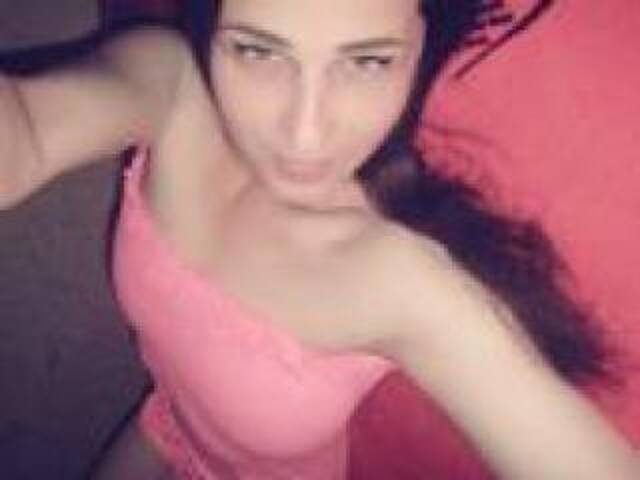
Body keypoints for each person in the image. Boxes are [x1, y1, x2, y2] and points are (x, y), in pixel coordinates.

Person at [0, 0, 638, 478]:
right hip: (164, 421)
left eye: (367, 61)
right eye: (258, 51)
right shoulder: (169, 86)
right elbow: (26, 130)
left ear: (421, 48)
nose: (304, 136)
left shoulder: (398, 280)